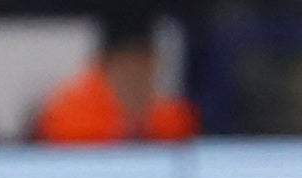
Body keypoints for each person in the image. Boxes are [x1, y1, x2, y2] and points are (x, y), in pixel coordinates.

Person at [33, 18, 200, 143]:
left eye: (144, 63)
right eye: (127, 65)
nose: (135, 75)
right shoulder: (67, 111)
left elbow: (181, 131)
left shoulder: (169, 114)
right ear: (107, 64)